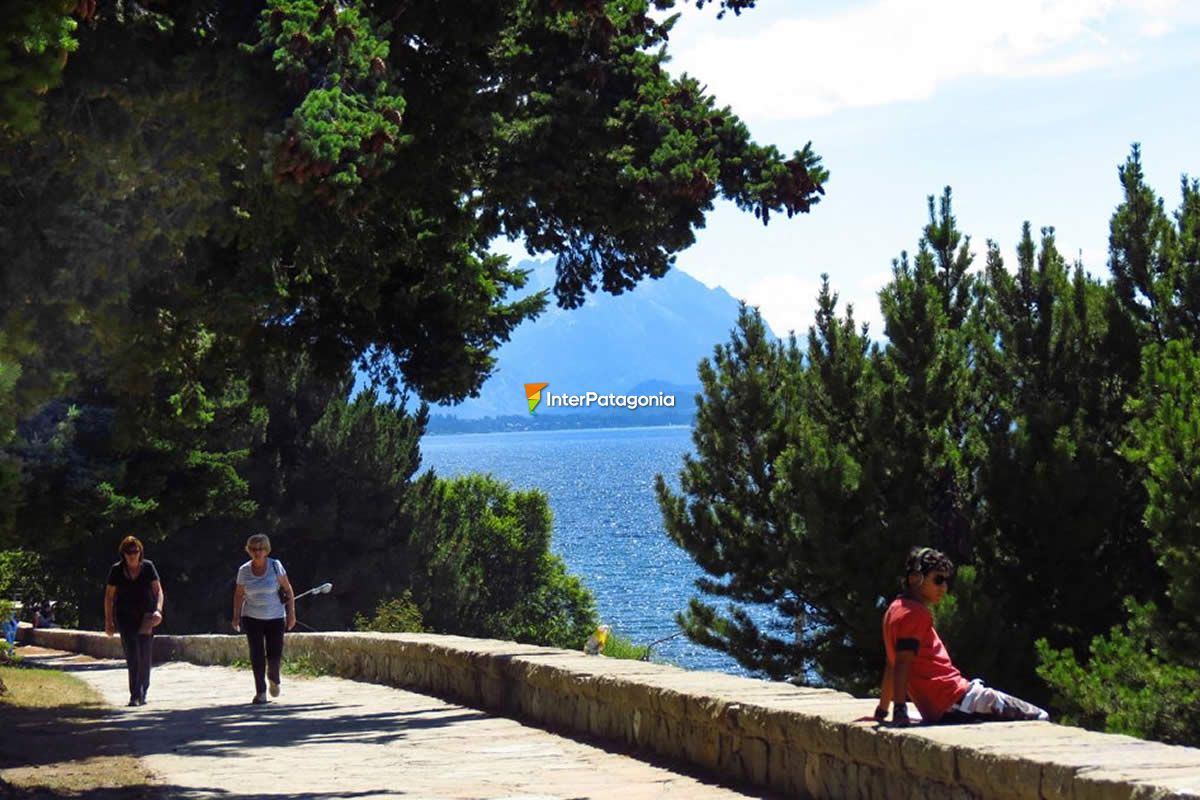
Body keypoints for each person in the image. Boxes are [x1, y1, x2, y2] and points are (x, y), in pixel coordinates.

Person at [877, 546, 1049, 725]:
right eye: (938, 580)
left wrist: (882, 710)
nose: (943, 587)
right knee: (1040, 717)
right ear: (915, 578)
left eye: (945, 581)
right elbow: (902, 663)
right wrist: (900, 710)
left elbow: (893, 663)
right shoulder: (915, 614)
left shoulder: (894, 610)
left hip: (946, 705)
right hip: (957, 700)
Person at [232, 534, 295, 705]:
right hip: (251, 617)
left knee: (274, 653)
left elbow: (288, 590)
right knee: (257, 654)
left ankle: (273, 676)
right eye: (254, 549)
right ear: (249, 550)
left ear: (266, 550)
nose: (257, 552)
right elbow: (238, 595)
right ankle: (260, 692)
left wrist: (291, 614)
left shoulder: (275, 566)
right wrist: (236, 617)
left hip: (275, 617)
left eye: (261, 549)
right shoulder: (244, 570)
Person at [104, 536, 164, 707]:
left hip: (146, 615)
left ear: (140, 552)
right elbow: (109, 596)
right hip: (125, 616)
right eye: (128, 552)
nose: (132, 555)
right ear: (123, 554)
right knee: (132, 654)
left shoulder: (148, 567)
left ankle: (144, 687)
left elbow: (158, 591)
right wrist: (108, 621)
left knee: (144, 653)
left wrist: (158, 611)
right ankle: (135, 694)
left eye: (135, 552)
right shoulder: (117, 570)